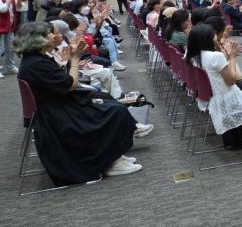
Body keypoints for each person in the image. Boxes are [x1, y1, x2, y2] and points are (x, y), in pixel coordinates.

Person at [16, 22, 151, 185]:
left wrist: (67, 61)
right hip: (54, 115)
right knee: (114, 111)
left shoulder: (35, 60)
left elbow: (60, 81)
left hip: (55, 107)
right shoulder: (37, 63)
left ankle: (114, 156)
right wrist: (75, 59)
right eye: (49, 33)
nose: (54, 35)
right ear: (38, 39)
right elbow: (71, 84)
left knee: (107, 101)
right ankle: (112, 162)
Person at [185, 23, 242, 148]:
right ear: (207, 38)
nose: (216, 35)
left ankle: (237, 138)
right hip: (225, 95)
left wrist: (223, 52)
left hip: (207, 96)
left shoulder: (191, 55)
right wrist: (232, 57)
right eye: (213, 34)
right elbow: (231, 81)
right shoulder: (215, 57)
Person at [0, 0, 18, 77]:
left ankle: (10, 66)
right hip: (1, 25)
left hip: (9, 25)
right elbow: (3, 9)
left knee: (11, 46)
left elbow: (15, 9)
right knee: (1, 48)